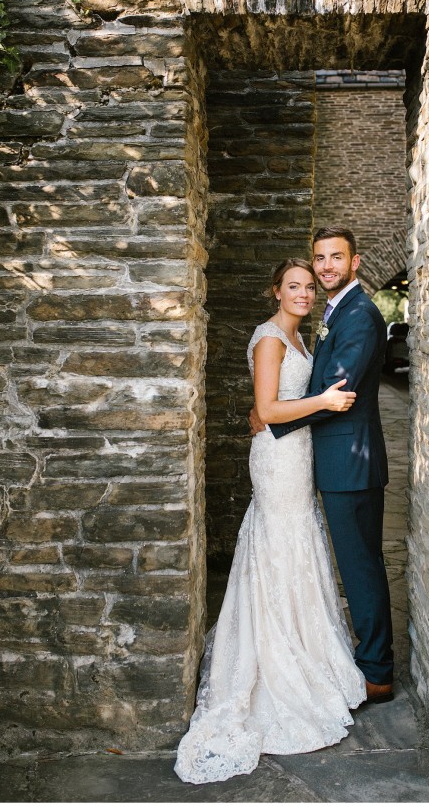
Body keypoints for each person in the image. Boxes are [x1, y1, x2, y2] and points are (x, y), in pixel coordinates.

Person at [174, 258, 366, 785]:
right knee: (280, 542)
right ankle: (278, 660)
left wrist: (303, 406)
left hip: (298, 453)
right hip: (278, 459)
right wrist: (323, 400)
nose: (303, 294)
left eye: (309, 287)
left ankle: (305, 648)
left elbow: (276, 408)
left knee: (299, 540)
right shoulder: (270, 340)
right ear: (275, 290)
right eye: (294, 286)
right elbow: (267, 407)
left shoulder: (300, 339)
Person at [252, 226, 394, 703]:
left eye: (336, 257)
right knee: (350, 562)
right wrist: (271, 412)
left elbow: (340, 394)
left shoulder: (360, 316)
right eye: (320, 258)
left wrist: (271, 419)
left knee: (360, 567)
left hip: (350, 461)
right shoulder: (335, 313)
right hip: (327, 458)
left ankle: (376, 671)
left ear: (354, 263)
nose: (327, 266)